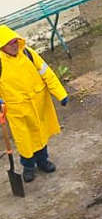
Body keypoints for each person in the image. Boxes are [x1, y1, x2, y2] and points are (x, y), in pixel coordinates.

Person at [0, 26, 68, 183]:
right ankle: (28, 167)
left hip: (38, 104)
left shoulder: (28, 54)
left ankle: (43, 161)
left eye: (16, 42)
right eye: (11, 44)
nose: (15, 46)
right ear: (2, 46)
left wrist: (60, 94)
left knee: (40, 134)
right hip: (17, 109)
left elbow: (47, 73)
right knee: (24, 140)